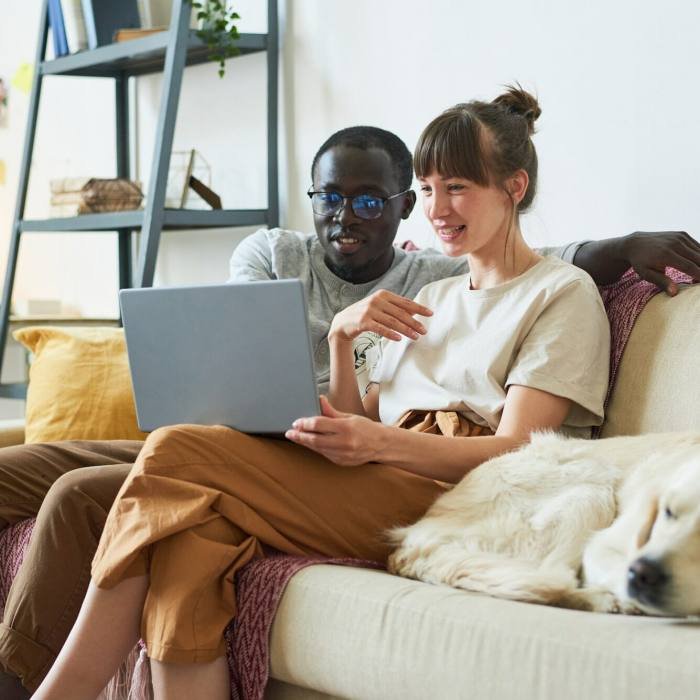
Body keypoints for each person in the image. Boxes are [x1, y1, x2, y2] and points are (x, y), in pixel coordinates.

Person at [0, 118, 699, 699]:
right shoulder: (435, 296)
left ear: (513, 187)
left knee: (178, 449)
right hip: (377, 472)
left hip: (463, 496)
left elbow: (521, 453)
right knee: (190, 535)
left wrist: (377, 447)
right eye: (428, 190)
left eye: (457, 187)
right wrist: (341, 341)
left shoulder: (561, 293)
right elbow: (353, 413)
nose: (438, 208)